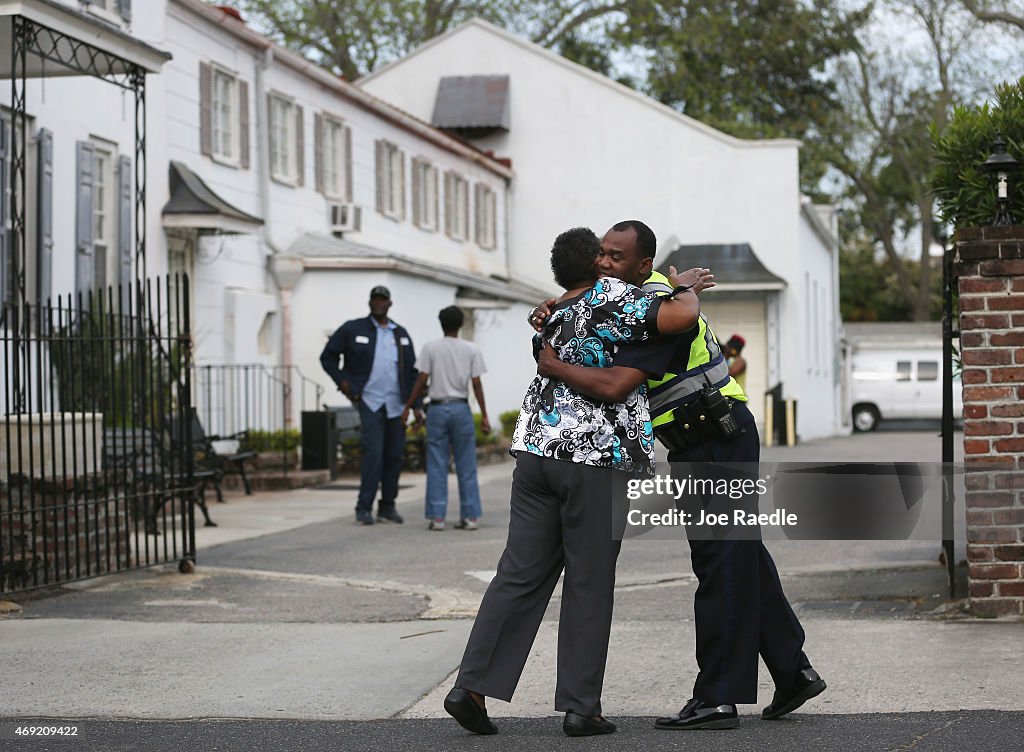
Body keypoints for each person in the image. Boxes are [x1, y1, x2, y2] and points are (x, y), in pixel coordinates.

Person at [532, 219, 825, 731]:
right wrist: (553, 310)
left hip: (717, 438)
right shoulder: (647, 297)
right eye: (602, 253)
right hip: (704, 439)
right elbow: (597, 312)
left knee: (721, 565)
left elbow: (616, 384)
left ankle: (718, 697)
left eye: (616, 257)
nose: (604, 263)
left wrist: (556, 364)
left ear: (642, 266)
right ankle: (792, 669)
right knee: (740, 555)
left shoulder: (655, 312)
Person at [443, 227, 705, 738]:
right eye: (603, 254)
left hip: (537, 451)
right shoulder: (623, 298)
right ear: (598, 263)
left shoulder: (555, 309)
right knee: (588, 583)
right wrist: (684, 285)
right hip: (595, 459)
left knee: (518, 575)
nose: (608, 261)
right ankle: (581, 707)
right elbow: (681, 318)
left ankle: (470, 686)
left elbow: (550, 336)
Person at [320, 285, 422, 526]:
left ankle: (387, 506)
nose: (378, 304)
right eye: (374, 300)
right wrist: (343, 382)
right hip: (370, 401)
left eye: (382, 300)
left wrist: (416, 405)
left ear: (389, 304)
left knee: (394, 456)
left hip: (396, 405)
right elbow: (328, 357)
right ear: (369, 303)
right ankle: (363, 507)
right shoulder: (353, 328)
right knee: (373, 455)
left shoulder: (401, 334)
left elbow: (411, 373)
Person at [401, 306, 490, 531]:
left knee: (437, 463)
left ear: (441, 323)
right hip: (461, 408)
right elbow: (476, 383)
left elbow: (421, 380)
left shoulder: (431, 348)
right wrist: (485, 415)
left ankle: (438, 517)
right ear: (460, 325)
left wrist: (408, 407)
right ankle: (470, 517)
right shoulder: (471, 349)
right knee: (466, 464)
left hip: (438, 410)